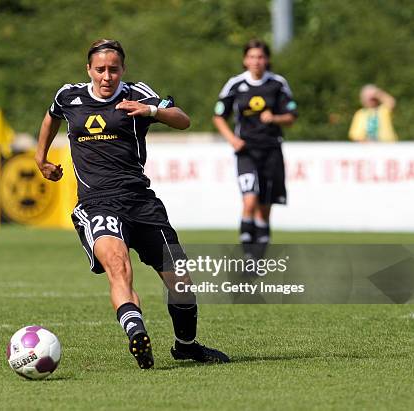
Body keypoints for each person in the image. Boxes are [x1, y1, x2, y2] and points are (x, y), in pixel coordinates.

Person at [35, 39, 229, 369]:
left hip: (141, 201)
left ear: (122, 70)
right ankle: (137, 334)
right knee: (118, 266)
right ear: (89, 70)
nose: (106, 76)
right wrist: (41, 158)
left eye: (113, 69)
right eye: (100, 70)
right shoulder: (69, 96)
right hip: (97, 203)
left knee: (180, 280)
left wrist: (151, 110)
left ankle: (186, 346)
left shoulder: (137, 92)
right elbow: (51, 117)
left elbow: (183, 119)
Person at [213, 39, 298, 263]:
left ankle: (259, 259)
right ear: (245, 60)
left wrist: (276, 117)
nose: (256, 61)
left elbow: (291, 116)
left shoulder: (277, 84)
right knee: (249, 201)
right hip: (246, 151)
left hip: (271, 150)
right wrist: (232, 139)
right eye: (251, 57)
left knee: (264, 208)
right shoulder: (235, 84)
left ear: (267, 59)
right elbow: (219, 116)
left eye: (260, 57)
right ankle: (248, 256)